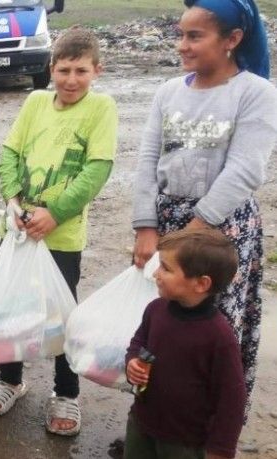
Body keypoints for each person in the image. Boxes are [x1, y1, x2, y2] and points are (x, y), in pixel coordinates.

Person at [131, 0, 277, 417]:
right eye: (181, 34)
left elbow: (246, 169)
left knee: (210, 334)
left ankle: (204, 427)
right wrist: (145, 227)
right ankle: (155, 419)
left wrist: (190, 236)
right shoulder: (168, 92)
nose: (183, 45)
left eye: (195, 36)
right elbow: (146, 160)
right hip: (165, 226)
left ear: (232, 39)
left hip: (218, 234)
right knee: (159, 329)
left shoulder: (256, 94)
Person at [0, 27, 118, 436]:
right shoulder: (36, 101)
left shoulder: (101, 108)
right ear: (50, 68)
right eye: (63, 70)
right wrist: (15, 198)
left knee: (60, 315)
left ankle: (66, 392)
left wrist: (54, 214)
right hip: (19, 230)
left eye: (81, 71)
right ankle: (9, 379)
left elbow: (97, 170)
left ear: (97, 71)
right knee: (12, 306)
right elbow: (10, 152)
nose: (71, 80)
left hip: (61, 236)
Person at [125, 228, 245, 459]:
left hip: (186, 442)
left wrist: (220, 450)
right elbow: (138, 341)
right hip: (141, 424)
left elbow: (232, 398)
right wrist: (132, 362)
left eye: (166, 268)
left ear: (201, 283)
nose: (156, 274)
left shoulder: (219, 337)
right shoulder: (155, 310)